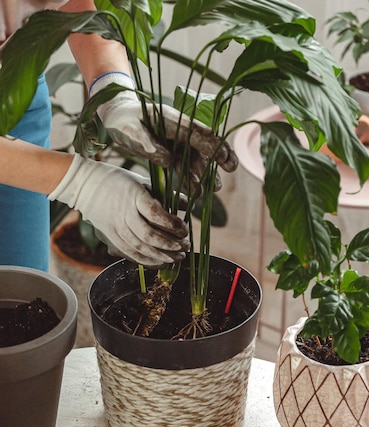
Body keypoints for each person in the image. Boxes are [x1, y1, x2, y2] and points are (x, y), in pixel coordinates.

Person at [0, 0, 237, 271]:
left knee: (24, 283)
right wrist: (79, 183)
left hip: (14, 89)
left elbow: (79, 4)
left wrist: (114, 92)